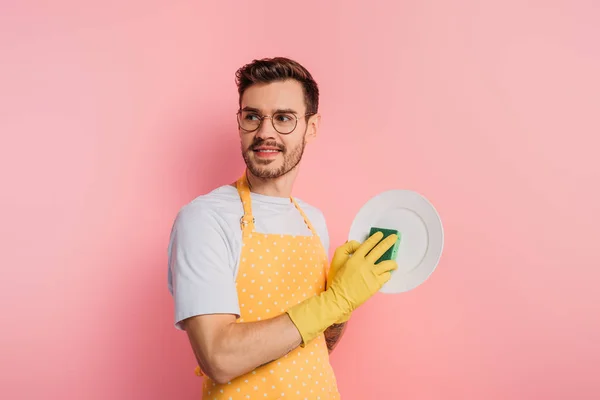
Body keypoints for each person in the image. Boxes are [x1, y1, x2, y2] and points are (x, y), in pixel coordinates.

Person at [167, 57, 398, 399]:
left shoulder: (313, 220)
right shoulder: (205, 219)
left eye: (284, 118)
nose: (265, 132)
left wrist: (342, 302)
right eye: (252, 117)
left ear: (312, 127)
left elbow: (316, 343)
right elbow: (219, 357)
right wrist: (334, 301)